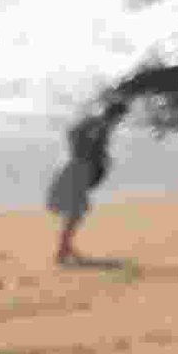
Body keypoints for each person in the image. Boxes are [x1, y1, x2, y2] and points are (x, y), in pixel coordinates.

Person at [45, 103, 119, 266]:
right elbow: (76, 135)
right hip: (79, 168)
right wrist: (85, 152)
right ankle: (63, 252)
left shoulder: (96, 123)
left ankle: (65, 250)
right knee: (75, 212)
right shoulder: (99, 125)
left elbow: (73, 133)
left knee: (76, 212)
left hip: (79, 168)